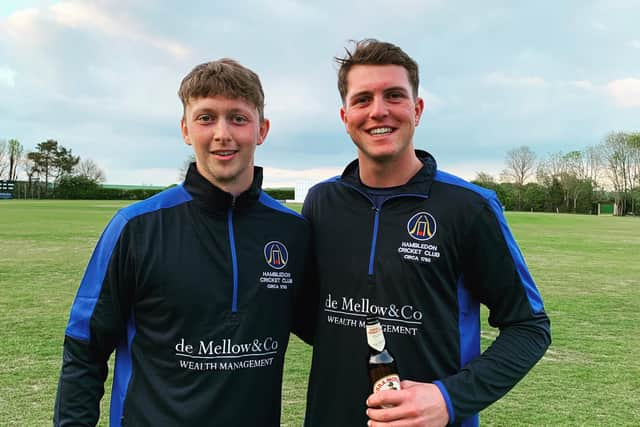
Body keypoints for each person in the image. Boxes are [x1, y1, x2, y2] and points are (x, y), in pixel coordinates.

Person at [301, 39, 551, 427]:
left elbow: (529, 327)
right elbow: (309, 316)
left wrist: (449, 398)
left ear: (417, 110)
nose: (378, 110)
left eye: (394, 96)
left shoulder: (470, 206)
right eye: (363, 99)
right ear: (345, 115)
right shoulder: (321, 202)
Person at [53, 59, 311, 426]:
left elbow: (332, 329)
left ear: (262, 129)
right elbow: (84, 347)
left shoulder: (292, 232)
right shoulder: (136, 226)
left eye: (238, 118)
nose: (223, 133)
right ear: (186, 129)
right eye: (206, 118)